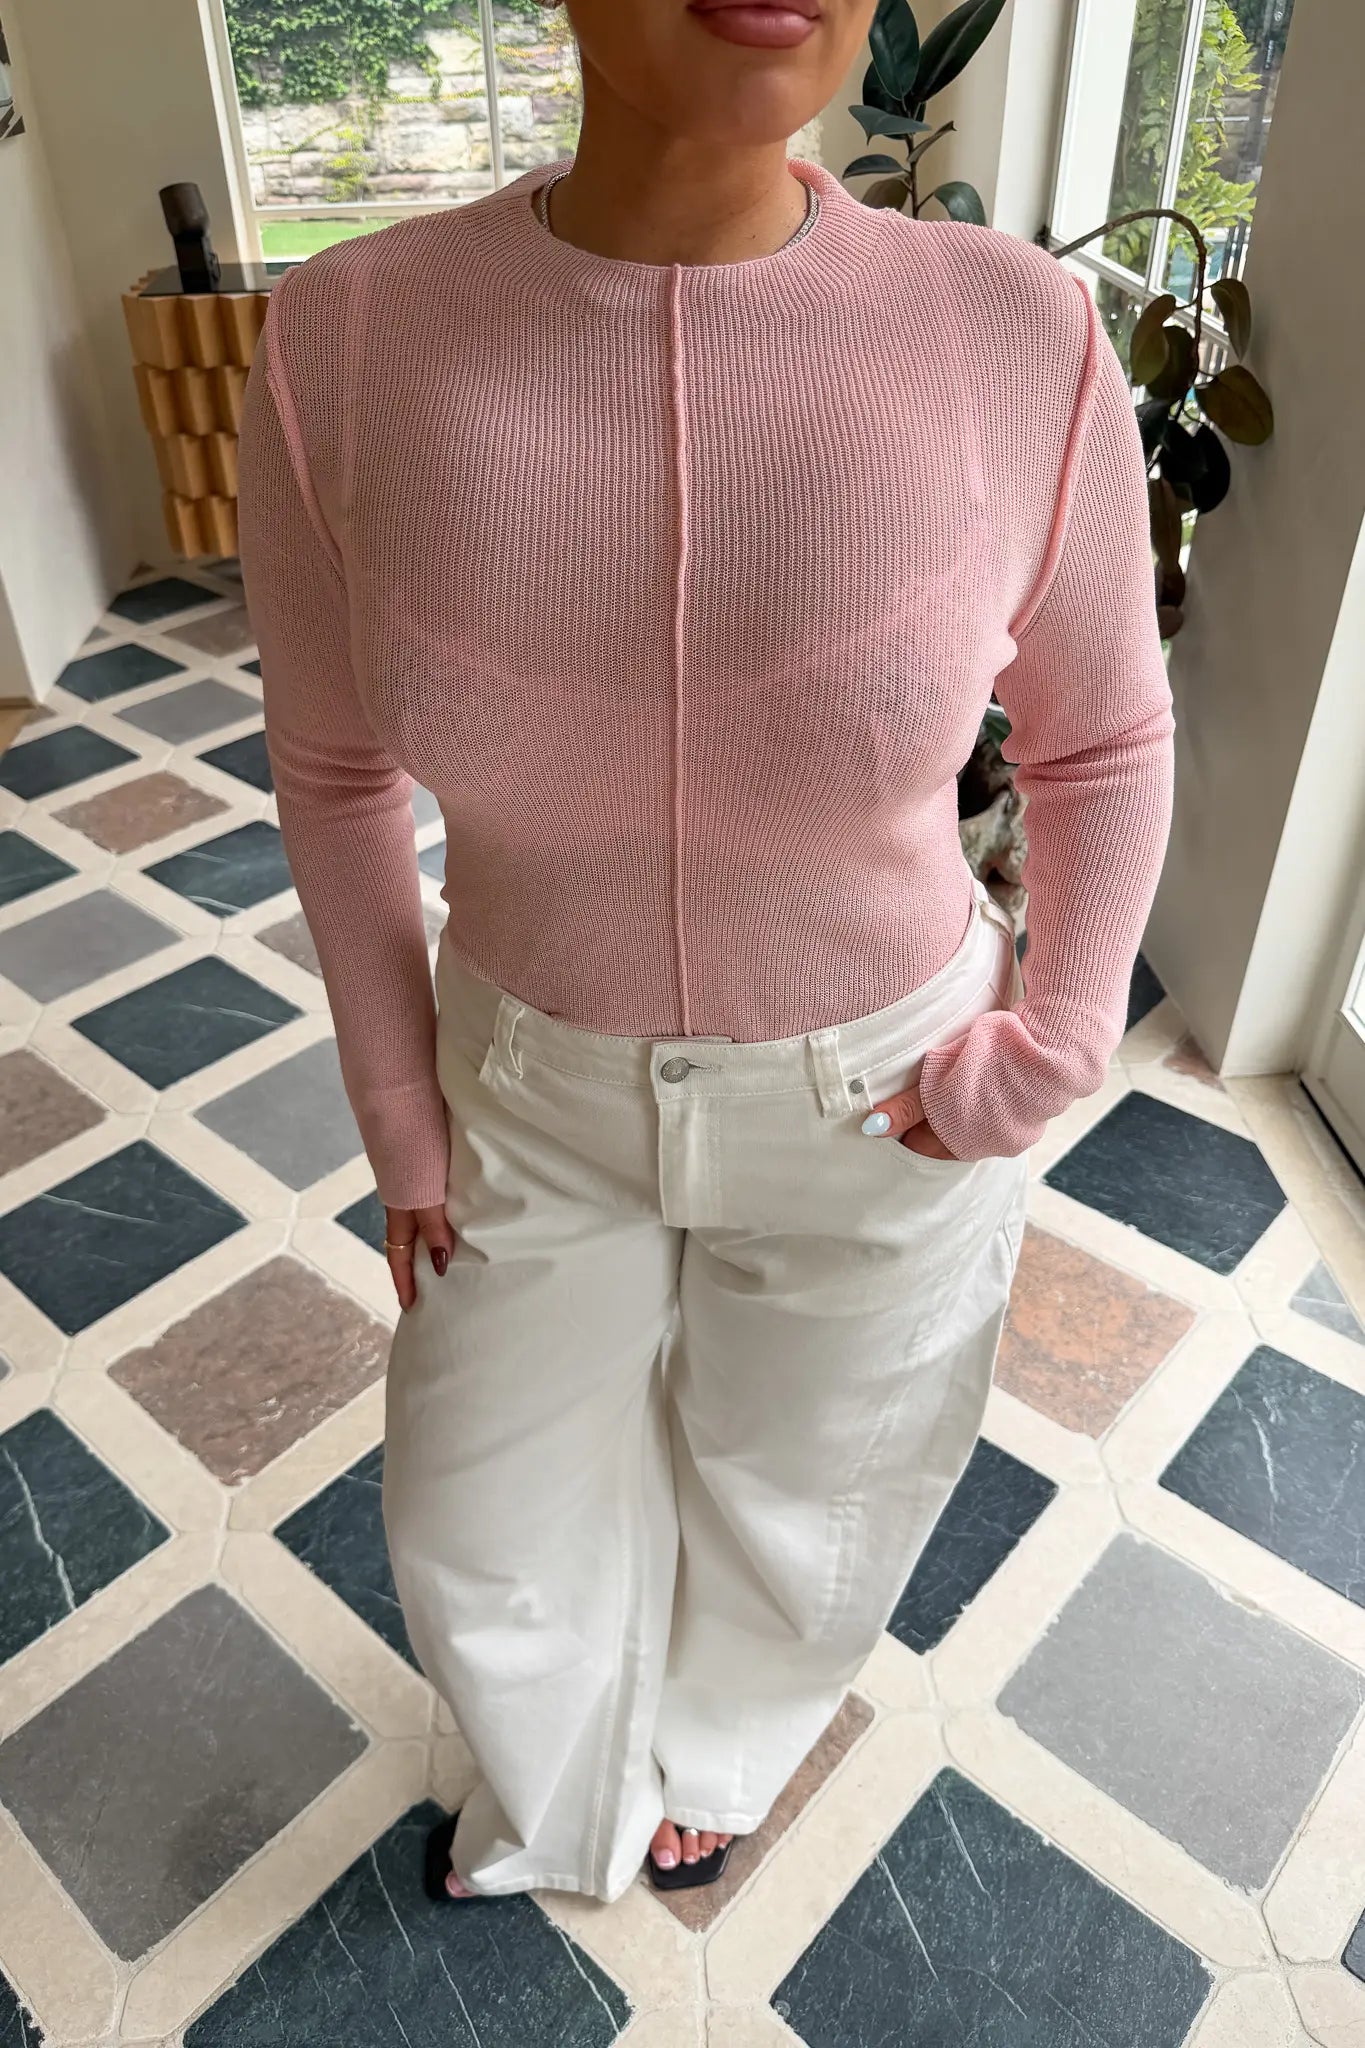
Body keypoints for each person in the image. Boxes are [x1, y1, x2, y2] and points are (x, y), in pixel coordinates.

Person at [236, 0, 1175, 1905]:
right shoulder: (351, 336)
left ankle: (722, 1749)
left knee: (810, 1482)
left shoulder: (1006, 330)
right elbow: (333, 770)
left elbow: (1101, 737)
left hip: (884, 1091)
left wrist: (1056, 1039)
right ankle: (556, 1788)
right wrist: (399, 1108)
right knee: (476, 1501)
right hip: (524, 1086)